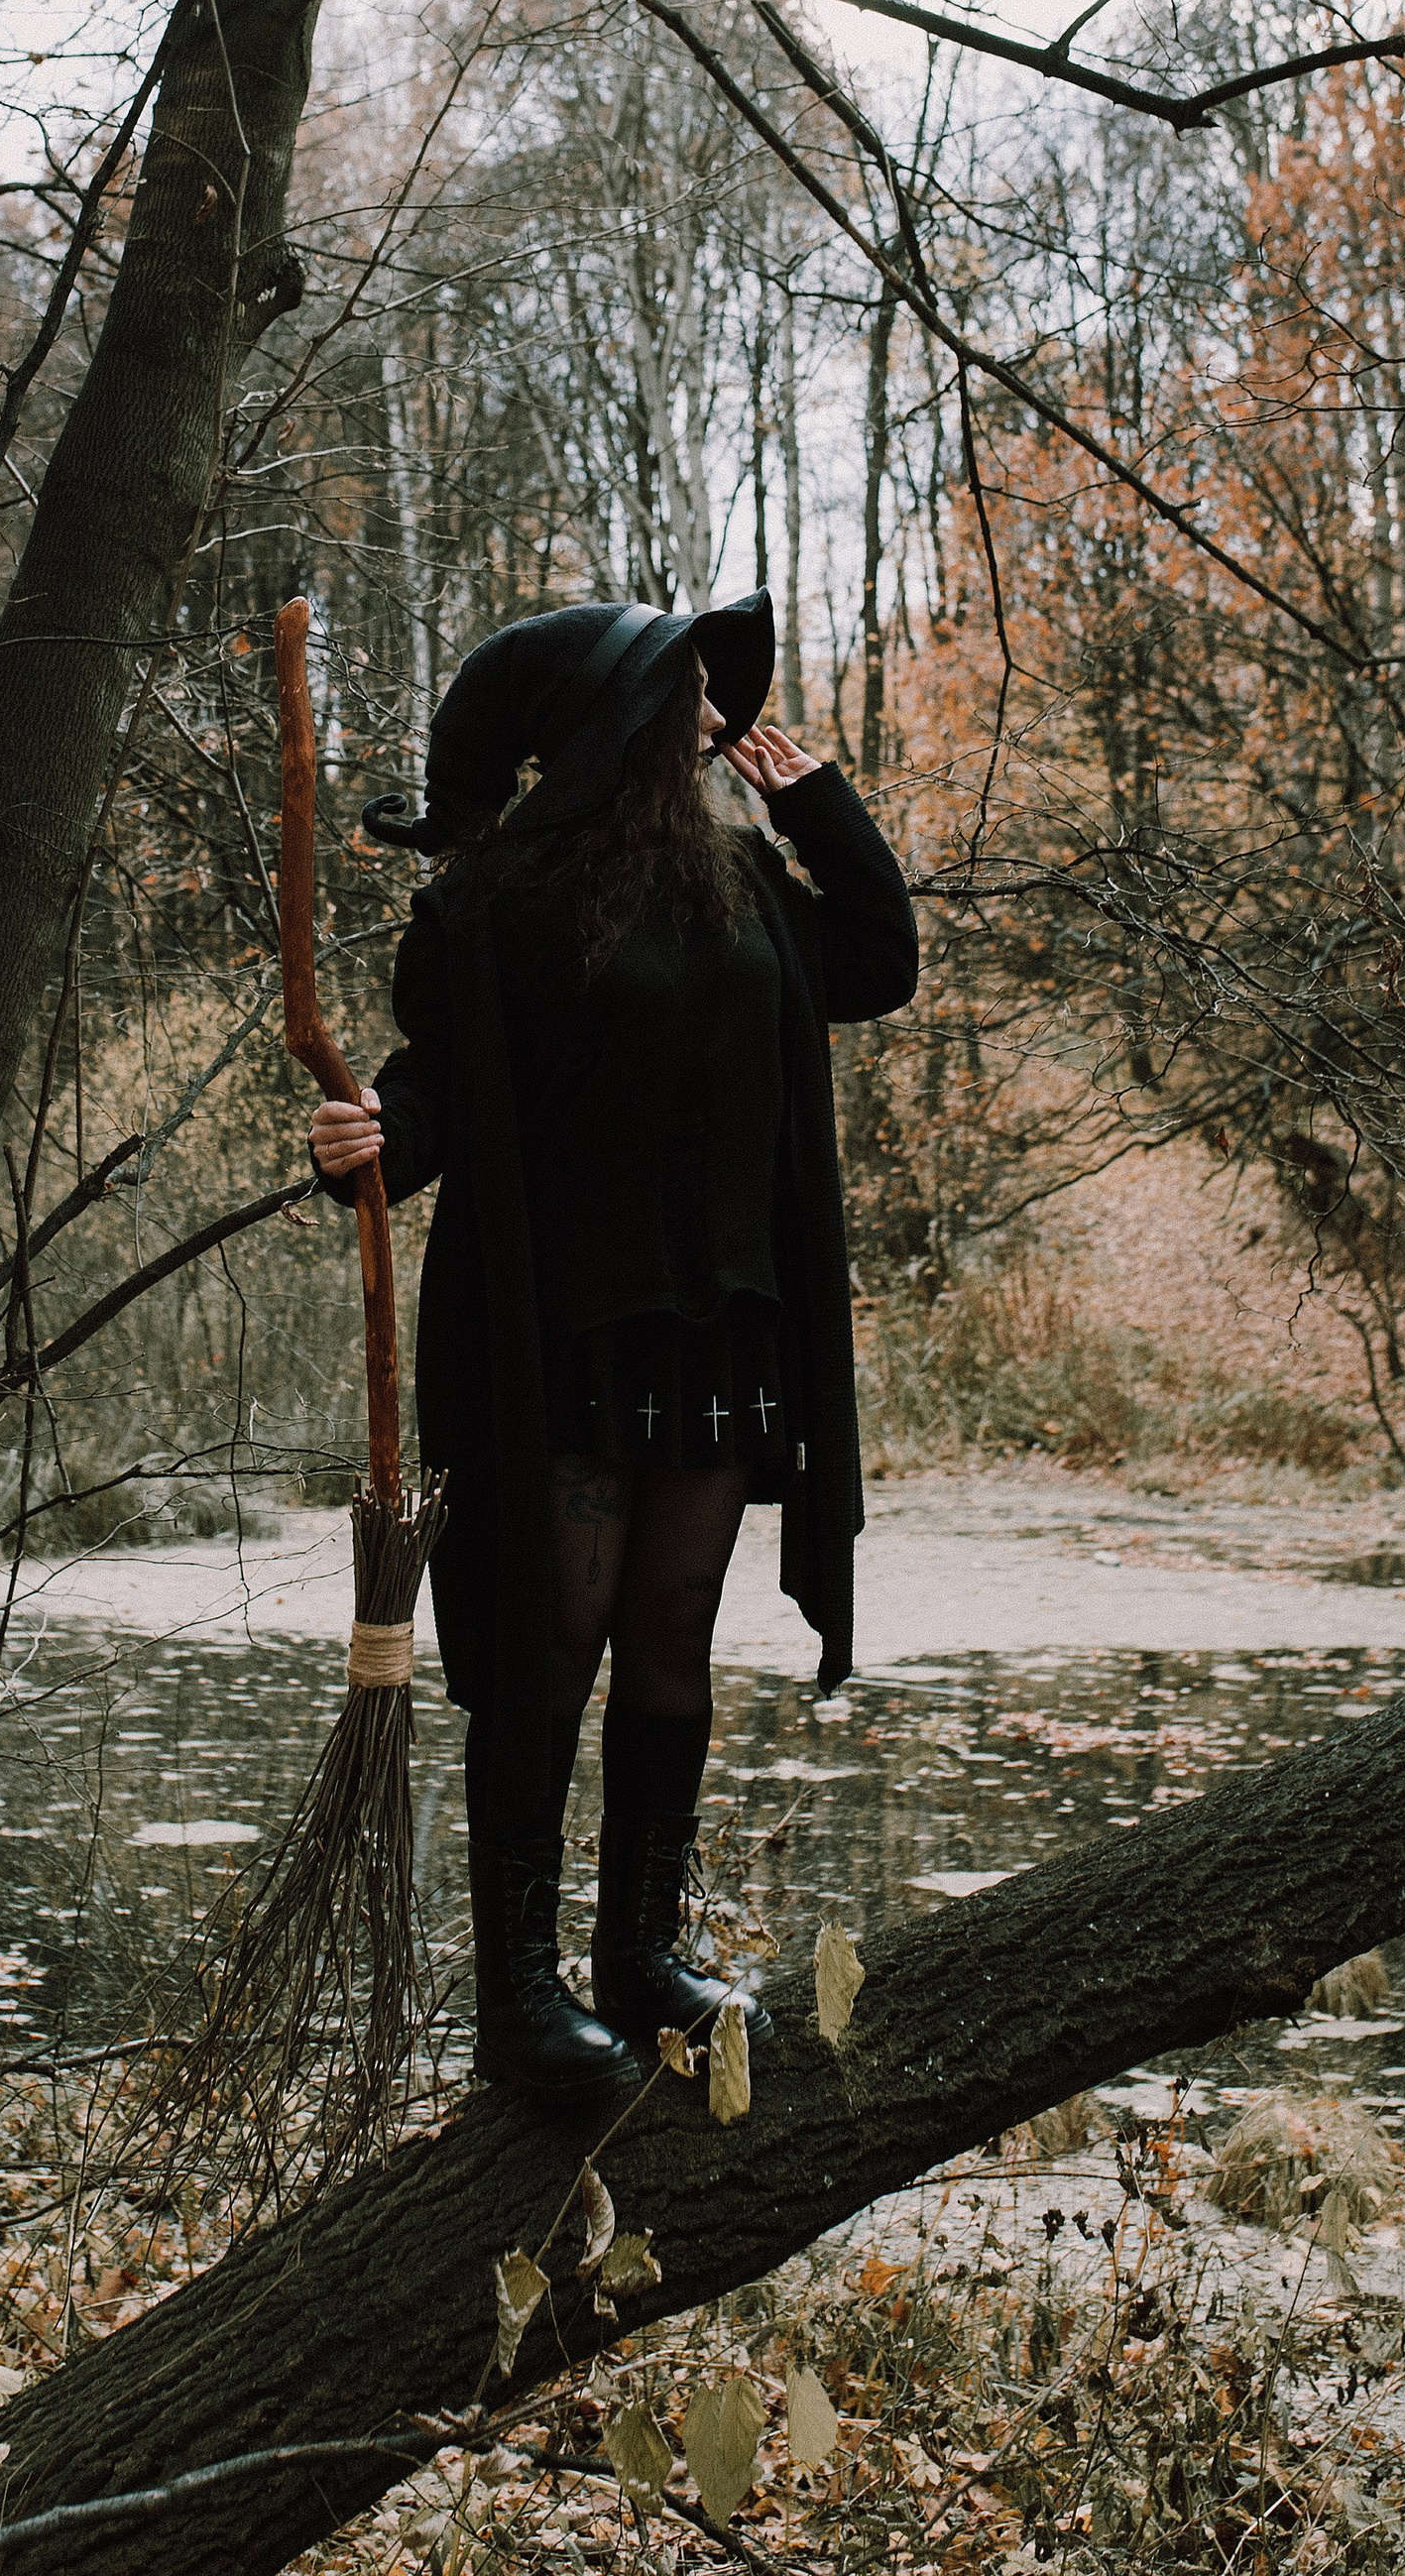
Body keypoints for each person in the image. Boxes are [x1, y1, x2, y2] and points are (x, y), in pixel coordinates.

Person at [308, 592, 918, 2104]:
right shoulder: (498, 899)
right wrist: (367, 1139)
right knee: (550, 1648)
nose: (712, 717)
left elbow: (881, 963)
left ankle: (636, 1960)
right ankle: (516, 2006)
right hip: (562, 1333)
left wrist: (822, 804)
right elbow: (438, 1091)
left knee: (666, 1644)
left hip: (719, 1331)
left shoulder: (746, 881)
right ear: (616, 725)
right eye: (685, 693)